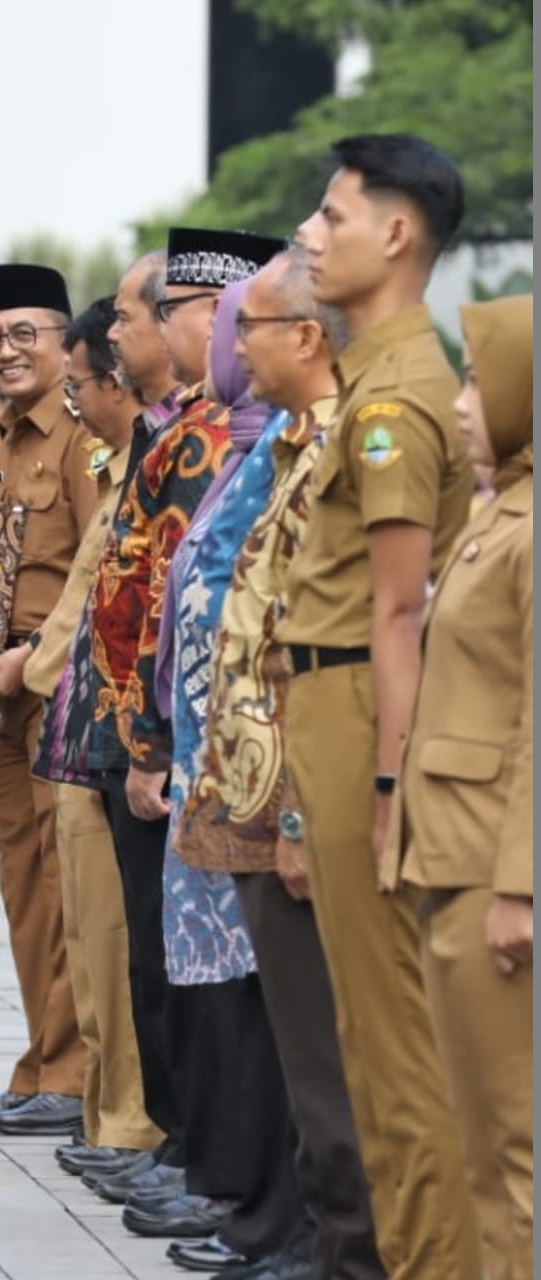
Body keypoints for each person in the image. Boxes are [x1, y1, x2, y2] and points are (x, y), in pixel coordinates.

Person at [279, 134, 483, 1277]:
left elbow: (400, 610)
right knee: (369, 1040)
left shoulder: (394, 394)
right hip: (339, 701)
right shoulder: (377, 375)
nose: (310, 235)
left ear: (394, 234)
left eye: (331, 215)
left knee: (395, 1052)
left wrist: (388, 785)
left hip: (365, 705)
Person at [172, 250, 385, 1280]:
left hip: (299, 799)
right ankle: (313, 1236)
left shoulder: (349, 439)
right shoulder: (292, 442)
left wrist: (298, 812)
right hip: (251, 793)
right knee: (304, 1056)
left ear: (304, 336)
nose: (230, 342)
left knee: (326, 1054)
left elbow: (337, 645)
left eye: (245, 323)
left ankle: (339, 1247)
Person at [82, 234, 236, 1214]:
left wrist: (151, 740)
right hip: (131, 718)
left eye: (135, 316)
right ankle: (183, 1142)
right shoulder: (174, 426)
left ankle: (207, 1157)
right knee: (153, 945)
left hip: (180, 735)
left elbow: (186, 593)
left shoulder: (225, 434)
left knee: (197, 963)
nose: (121, 334)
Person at [386, 294, 532, 1280]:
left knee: (509, 1146)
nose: (466, 402)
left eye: (481, 378)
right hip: (452, 849)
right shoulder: (499, 509)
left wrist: (518, 886)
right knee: (474, 1133)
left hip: (494, 871)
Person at [0, 264, 96, 1135]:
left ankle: (72, 1075)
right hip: (3, 693)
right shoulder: (4, 439)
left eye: (25, 334)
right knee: (25, 887)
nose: (6, 352)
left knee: (63, 881)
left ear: (63, 339)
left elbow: (94, 570)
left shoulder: (83, 436)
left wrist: (32, 657)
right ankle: (40, 1064)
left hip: (59, 686)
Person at [26, 297, 162, 1177]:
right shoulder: (128, 462)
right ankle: (107, 1114)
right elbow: (82, 600)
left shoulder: (166, 459)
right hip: (82, 726)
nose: (75, 401)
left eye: (78, 385)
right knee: (92, 936)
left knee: (126, 942)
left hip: (126, 734)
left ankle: (136, 1122)